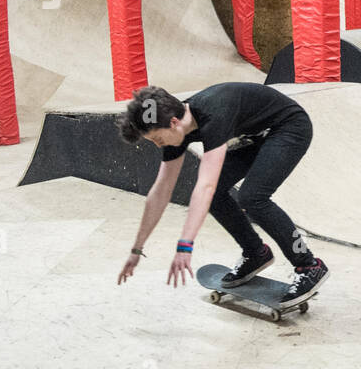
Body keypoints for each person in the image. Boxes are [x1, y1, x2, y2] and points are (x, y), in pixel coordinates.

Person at [115, 83, 328, 308]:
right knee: (217, 194)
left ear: (174, 123)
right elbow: (161, 190)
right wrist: (137, 248)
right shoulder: (175, 132)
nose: (159, 145)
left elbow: (205, 185)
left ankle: (309, 266)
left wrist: (185, 246)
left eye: (158, 139)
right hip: (255, 137)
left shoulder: (212, 115)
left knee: (253, 197)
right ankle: (256, 253)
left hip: (289, 127)